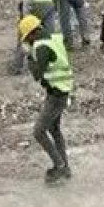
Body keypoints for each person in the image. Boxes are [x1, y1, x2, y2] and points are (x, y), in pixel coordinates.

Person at [18, 14, 73, 184]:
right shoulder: (54, 38)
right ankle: (65, 166)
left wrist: (28, 57)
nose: (28, 42)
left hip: (56, 93)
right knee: (54, 129)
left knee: (39, 131)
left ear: (33, 33)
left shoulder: (41, 47)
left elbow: (37, 74)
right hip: (62, 90)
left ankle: (59, 166)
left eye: (27, 38)